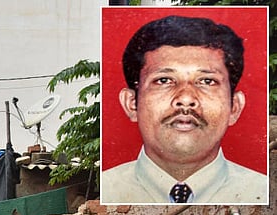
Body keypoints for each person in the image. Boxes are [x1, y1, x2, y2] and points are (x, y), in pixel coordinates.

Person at [101, 14, 267, 205]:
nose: (186, 99)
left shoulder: (261, 192)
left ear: (234, 107)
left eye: (207, 81)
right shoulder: (107, 192)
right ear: (131, 103)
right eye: (164, 80)